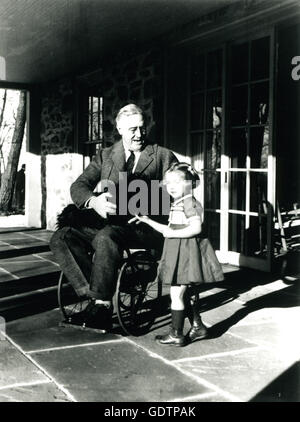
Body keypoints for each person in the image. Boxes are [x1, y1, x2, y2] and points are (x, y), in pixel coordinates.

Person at [50, 104, 178, 332]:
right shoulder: (106, 155)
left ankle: (102, 304)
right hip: (109, 224)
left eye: (142, 128)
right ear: (119, 128)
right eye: (132, 129)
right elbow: (79, 185)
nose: (139, 134)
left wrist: (150, 201)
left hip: (142, 227)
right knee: (62, 236)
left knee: (106, 236)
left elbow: (180, 194)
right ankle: (96, 295)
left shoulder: (162, 156)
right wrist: (93, 201)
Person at [130, 162, 224, 347]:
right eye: (168, 183)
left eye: (177, 182)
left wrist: (173, 233)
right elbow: (168, 229)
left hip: (185, 254)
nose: (171, 186)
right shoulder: (179, 202)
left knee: (176, 295)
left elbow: (196, 228)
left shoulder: (189, 203)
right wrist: (147, 220)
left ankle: (177, 334)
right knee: (182, 293)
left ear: (188, 183)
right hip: (177, 251)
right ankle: (198, 327)